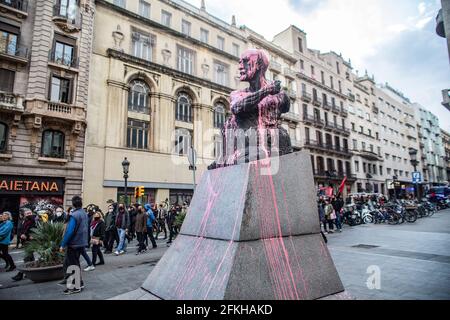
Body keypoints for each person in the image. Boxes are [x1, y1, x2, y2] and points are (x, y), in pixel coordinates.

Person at [59, 195, 89, 295]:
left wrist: (63, 244)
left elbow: (69, 231)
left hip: (74, 243)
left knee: (71, 265)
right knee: (76, 263)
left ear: (73, 204)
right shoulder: (84, 213)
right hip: (81, 242)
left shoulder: (74, 215)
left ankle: (74, 287)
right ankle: (79, 283)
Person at [12, 209, 36, 281]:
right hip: (25, 242)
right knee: (30, 258)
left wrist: (27, 236)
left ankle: (20, 274)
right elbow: (21, 230)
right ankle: (30, 273)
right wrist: (22, 235)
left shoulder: (35, 220)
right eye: (27, 213)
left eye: (30, 213)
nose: (29, 214)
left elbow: (34, 231)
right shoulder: (24, 221)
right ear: (25, 214)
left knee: (27, 258)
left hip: (31, 242)